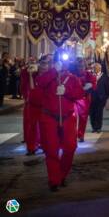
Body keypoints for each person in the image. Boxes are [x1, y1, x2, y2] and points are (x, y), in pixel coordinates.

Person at [36, 51, 84, 191]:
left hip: (67, 117)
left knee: (70, 147)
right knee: (51, 150)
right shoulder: (48, 76)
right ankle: (54, 180)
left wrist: (67, 91)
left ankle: (62, 174)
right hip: (49, 117)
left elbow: (80, 94)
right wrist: (53, 71)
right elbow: (40, 82)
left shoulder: (72, 78)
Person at [20, 57, 41, 155]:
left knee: (42, 126)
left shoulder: (47, 74)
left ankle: (41, 143)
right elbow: (26, 87)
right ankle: (32, 146)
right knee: (31, 125)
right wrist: (29, 74)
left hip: (43, 104)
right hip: (31, 103)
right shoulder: (28, 73)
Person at [74, 57, 96, 142]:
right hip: (74, 99)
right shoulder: (73, 74)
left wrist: (88, 86)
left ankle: (80, 135)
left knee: (83, 118)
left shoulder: (88, 75)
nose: (80, 67)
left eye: (82, 65)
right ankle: (73, 134)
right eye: (79, 66)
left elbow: (93, 85)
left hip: (84, 99)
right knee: (73, 117)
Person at [90, 63, 109, 133]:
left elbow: (107, 88)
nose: (94, 69)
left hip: (101, 98)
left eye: (95, 68)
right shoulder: (90, 76)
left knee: (99, 113)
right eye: (94, 68)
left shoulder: (104, 77)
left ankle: (98, 127)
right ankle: (93, 127)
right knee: (92, 113)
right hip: (92, 98)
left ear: (99, 68)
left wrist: (106, 96)